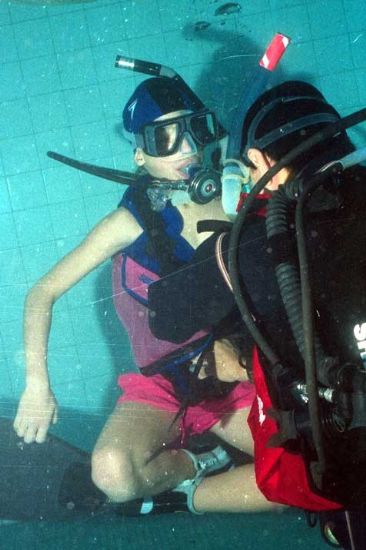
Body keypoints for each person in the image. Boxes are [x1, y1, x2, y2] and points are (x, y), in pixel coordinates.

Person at [14, 75, 278, 515]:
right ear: (140, 155)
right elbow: (42, 292)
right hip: (164, 384)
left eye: (197, 129)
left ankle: (193, 496)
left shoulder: (242, 200)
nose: (187, 148)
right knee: (114, 474)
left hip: (236, 385)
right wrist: (37, 386)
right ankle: (194, 464)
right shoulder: (128, 223)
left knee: (302, 477)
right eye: (164, 138)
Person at [148, 80, 366, 525]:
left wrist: (217, 241)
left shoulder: (253, 246)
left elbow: (163, 316)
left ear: (266, 164)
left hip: (345, 471)